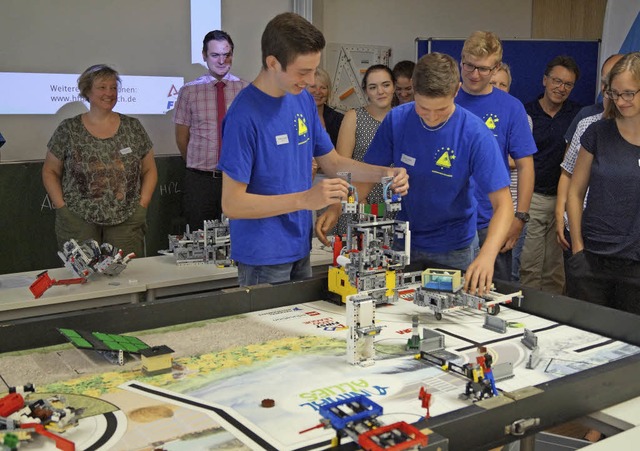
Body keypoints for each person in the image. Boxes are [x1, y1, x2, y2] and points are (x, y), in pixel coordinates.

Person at [217, 12, 408, 287]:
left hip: (300, 246)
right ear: (272, 63)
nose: (310, 81)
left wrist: (385, 173)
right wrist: (306, 200)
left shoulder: (301, 100)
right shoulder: (243, 116)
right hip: (263, 256)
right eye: (302, 72)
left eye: (313, 70)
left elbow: (332, 163)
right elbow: (232, 204)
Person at [318, 53, 512, 296]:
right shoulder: (398, 119)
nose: (431, 117)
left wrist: (487, 255)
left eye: (440, 110)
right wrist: (340, 206)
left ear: (456, 91)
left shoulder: (474, 134)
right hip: (403, 242)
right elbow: (365, 177)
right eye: (422, 108)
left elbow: (504, 205)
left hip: (453, 247)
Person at [42, 64, 157, 258]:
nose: (109, 93)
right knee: (83, 281)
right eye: (102, 87)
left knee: (127, 278)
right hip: (78, 220)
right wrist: (62, 207)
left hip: (126, 219)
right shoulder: (69, 129)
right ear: (87, 91)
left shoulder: (133, 127)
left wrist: (142, 205)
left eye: (113, 88)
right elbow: (50, 171)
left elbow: (149, 170)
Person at [456, 31, 536, 283]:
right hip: (449, 220)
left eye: (482, 68)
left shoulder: (511, 107)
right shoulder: (445, 98)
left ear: (496, 68)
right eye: (468, 65)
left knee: (493, 297)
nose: (474, 74)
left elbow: (525, 166)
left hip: (492, 219)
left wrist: (519, 217)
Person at [566, 52, 640, 315]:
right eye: (614, 93)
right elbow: (574, 193)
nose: (620, 101)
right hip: (592, 260)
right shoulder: (597, 132)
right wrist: (577, 248)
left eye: (629, 93)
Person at [173, 30, 249, 230]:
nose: (222, 60)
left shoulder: (246, 90)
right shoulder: (189, 91)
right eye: (215, 55)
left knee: (237, 237)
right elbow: (182, 138)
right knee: (200, 239)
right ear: (204, 56)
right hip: (201, 180)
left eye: (227, 54)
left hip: (236, 179)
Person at [520, 55, 581, 294]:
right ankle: (529, 314)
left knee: (556, 270)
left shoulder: (577, 115)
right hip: (532, 198)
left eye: (568, 84)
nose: (561, 88)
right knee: (529, 266)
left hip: (564, 201)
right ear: (545, 80)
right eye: (556, 81)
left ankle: (554, 317)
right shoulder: (525, 113)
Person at [555, 54, 624, 257]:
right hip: (579, 228)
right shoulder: (587, 123)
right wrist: (561, 214)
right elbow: (567, 172)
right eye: (606, 82)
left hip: (621, 237)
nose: (609, 88)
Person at [334, 64, 396, 234]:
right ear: (365, 91)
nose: (380, 91)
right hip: (359, 203)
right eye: (373, 87)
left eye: (385, 85)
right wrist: (356, 197)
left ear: (394, 87)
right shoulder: (354, 117)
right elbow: (342, 168)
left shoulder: (402, 118)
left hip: (394, 205)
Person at [489, 62, 534, 282]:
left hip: (513, 208)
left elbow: (520, 162)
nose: (497, 88)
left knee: (509, 273)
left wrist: (520, 217)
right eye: (493, 83)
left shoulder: (518, 114)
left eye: (502, 84)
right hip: (480, 212)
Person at [307, 67, 343, 147]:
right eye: (313, 87)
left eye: (323, 88)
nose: (318, 92)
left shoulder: (339, 120)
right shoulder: (293, 117)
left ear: (328, 91)